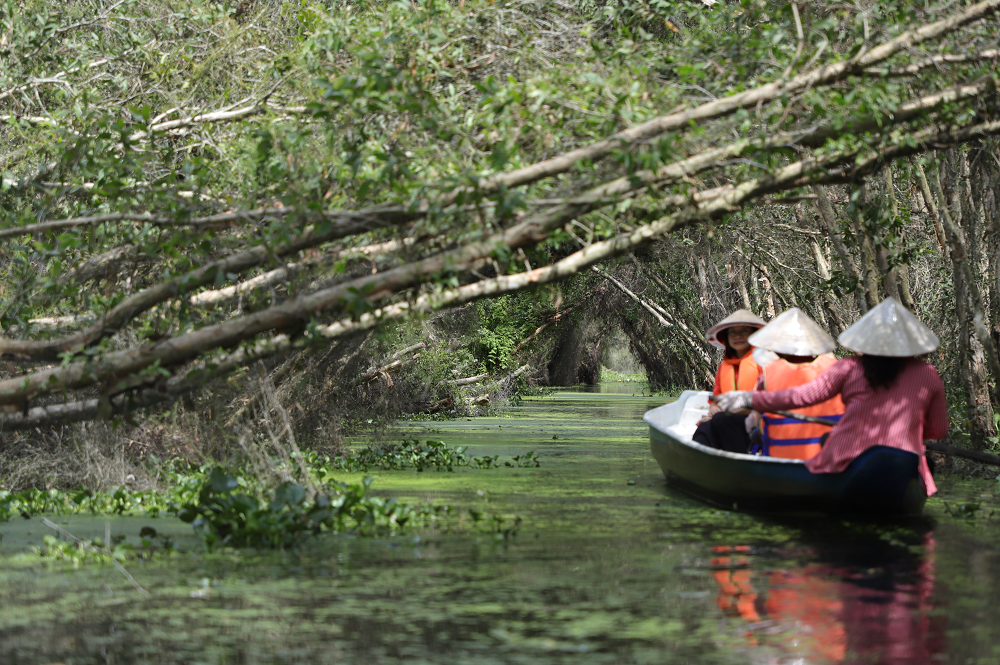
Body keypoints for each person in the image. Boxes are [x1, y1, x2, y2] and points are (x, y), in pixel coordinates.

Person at [715, 298, 946, 495]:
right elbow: (938, 430)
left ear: (866, 341)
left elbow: (802, 397)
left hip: (846, 459)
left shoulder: (849, 367)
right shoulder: (929, 374)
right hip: (904, 463)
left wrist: (749, 399)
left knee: (828, 445)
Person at [745, 307, 845, 460]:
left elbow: (755, 419)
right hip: (831, 457)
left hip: (780, 457)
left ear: (777, 349)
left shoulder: (767, 374)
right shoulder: (837, 368)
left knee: (750, 425)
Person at [692, 309, 766, 453]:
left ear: (753, 334)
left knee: (720, 419)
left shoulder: (763, 363)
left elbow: (767, 399)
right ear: (726, 337)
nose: (738, 336)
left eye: (744, 331)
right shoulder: (723, 367)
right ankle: (699, 463)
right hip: (727, 421)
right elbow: (716, 399)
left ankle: (741, 461)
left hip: (754, 423)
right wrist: (713, 408)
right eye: (732, 332)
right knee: (704, 426)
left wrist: (736, 411)